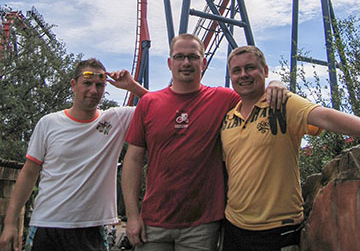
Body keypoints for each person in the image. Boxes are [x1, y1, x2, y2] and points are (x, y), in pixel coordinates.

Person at [121, 34, 287, 251]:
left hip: (202, 224)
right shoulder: (149, 103)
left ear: (204, 62)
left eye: (193, 56)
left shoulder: (223, 99)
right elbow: (132, 160)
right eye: (179, 57)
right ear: (170, 63)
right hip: (153, 221)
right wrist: (132, 216)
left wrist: (276, 82)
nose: (186, 63)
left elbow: (254, 94)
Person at [221, 45, 360, 251]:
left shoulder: (283, 104)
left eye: (250, 68)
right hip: (234, 227)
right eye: (236, 70)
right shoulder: (228, 118)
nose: (243, 75)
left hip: (278, 229)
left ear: (265, 71)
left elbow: (326, 117)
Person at [0, 58, 147, 251]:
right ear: (73, 84)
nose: (93, 91)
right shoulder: (49, 123)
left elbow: (161, 108)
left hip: (92, 227)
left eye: (99, 85)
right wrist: (10, 223)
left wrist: (132, 86)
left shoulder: (115, 120)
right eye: (87, 83)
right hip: (47, 224)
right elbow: (29, 173)